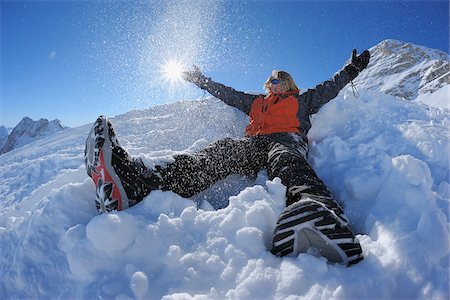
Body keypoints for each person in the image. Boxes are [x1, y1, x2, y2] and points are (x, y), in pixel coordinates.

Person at [84, 49, 370, 266]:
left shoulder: (302, 100)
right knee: (217, 153)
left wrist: (351, 70)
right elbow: (227, 94)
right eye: (271, 80)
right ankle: (136, 184)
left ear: (289, 83)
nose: (274, 83)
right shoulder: (256, 102)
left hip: (285, 140)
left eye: (280, 79)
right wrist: (201, 80)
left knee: (289, 163)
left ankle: (322, 213)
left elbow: (331, 87)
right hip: (253, 144)